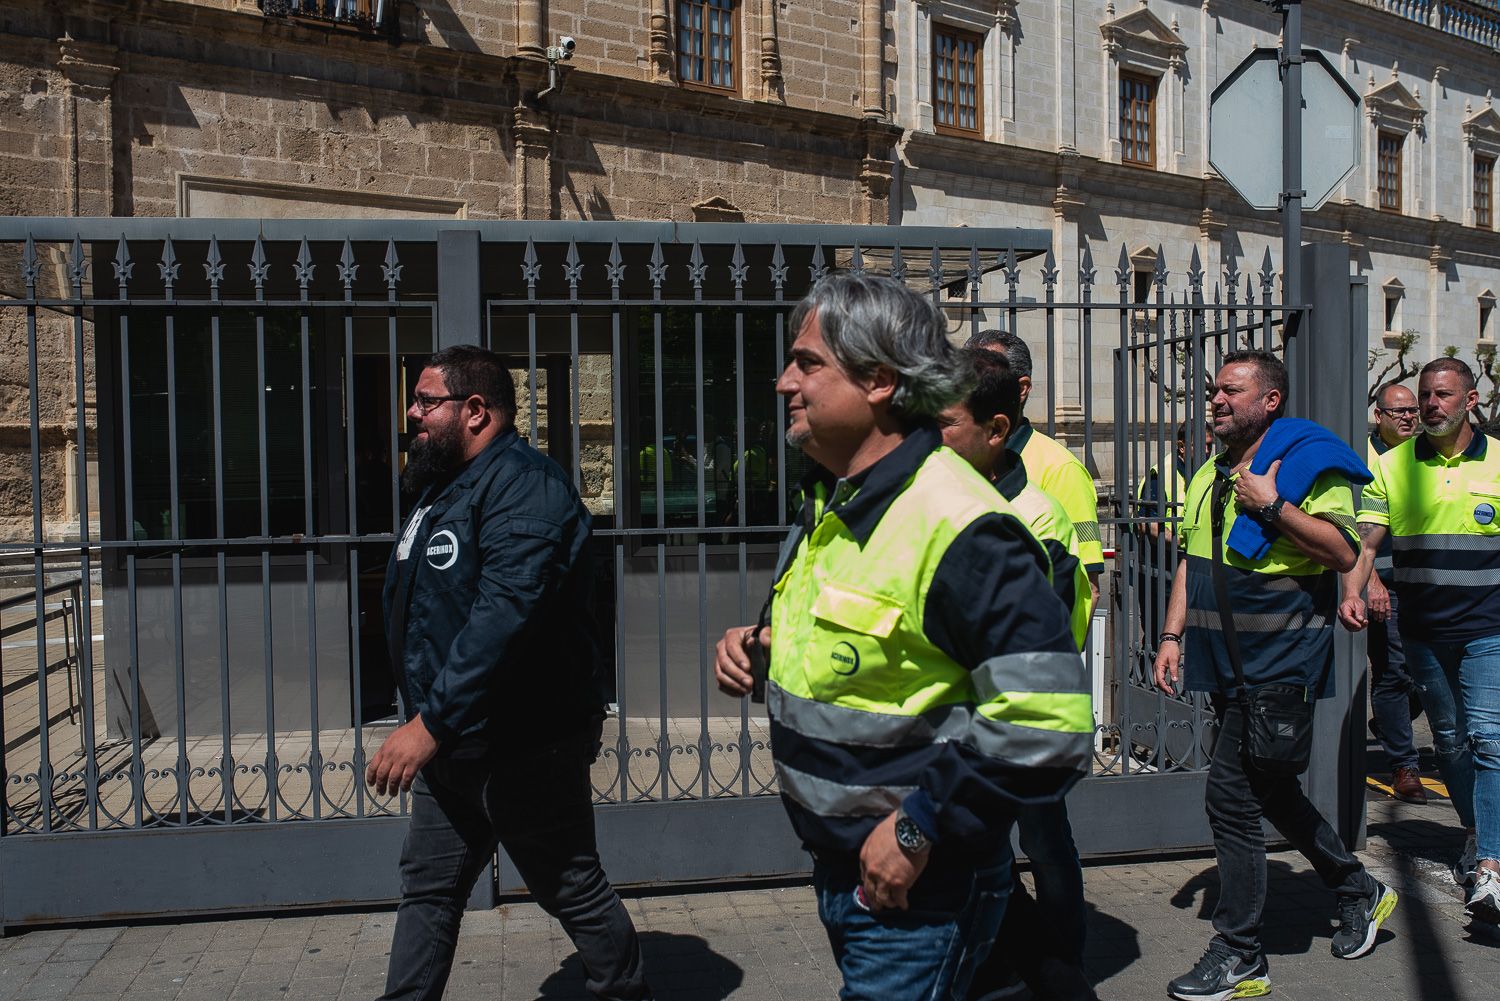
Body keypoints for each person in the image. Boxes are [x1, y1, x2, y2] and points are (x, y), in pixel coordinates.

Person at [713, 274, 1091, 1001]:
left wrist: (918, 827)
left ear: (880, 380)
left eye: (807, 362)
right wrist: (764, 649)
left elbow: (1048, 721)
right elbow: (885, 646)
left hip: (921, 883)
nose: (784, 379)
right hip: (851, 870)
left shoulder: (957, 520)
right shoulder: (838, 497)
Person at [368, 345, 650, 1001]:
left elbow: (507, 613)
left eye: (425, 400)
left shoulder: (526, 486)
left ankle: (626, 989)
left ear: (474, 410)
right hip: (453, 743)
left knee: (570, 886)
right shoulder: (445, 488)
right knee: (429, 888)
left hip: (524, 744)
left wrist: (429, 722)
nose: (412, 412)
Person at [1153, 350, 1397, 1000]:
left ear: (1271, 400)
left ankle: (1240, 954)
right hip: (1225, 659)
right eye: (1215, 390)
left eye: (1234, 390)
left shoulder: (1302, 467)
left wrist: (1272, 505)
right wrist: (1172, 634)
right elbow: (1191, 559)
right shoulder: (1210, 468)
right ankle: (1357, 887)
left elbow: (1344, 551)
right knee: (1270, 789)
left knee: (1230, 796)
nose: (1218, 399)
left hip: (1281, 659)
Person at [938, 347, 1096, 1001]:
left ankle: (1062, 961)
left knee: (1042, 838)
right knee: (986, 852)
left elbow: (1074, 588)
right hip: (972, 714)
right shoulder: (952, 492)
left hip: (1026, 710)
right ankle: (1022, 965)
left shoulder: (1049, 481)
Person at [1340, 358, 1500, 923]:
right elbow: (1365, 542)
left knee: (1487, 737)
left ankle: (1490, 865)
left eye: (1442, 396)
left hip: (1490, 628)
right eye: (1425, 396)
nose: (1431, 405)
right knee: (1452, 740)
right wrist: (1354, 590)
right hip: (1424, 630)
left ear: (1470, 401)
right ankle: (1478, 829)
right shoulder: (1392, 466)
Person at [967, 330, 1104, 605]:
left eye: (981, 377)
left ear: (1021, 388)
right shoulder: (959, 460)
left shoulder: (1061, 468)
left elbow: (1086, 587)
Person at [1359, 382, 1426, 805]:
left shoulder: (1424, 456)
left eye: (1412, 411)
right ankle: (1405, 764)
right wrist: (1371, 582)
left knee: (1429, 669)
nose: (1408, 417)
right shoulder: (1361, 459)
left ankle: (1389, 724)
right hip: (1382, 580)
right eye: (1398, 411)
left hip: (1430, 580)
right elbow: (1350, 526)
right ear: (1378, 416)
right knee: (1393, 671)